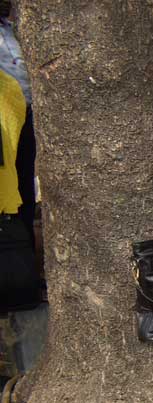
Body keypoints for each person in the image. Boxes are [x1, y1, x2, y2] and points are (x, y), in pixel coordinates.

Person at [0, 2, 34, 246]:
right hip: (4, 121)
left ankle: (23, 255)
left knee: (23, 185)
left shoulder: (12, 28)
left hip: (25, 114)